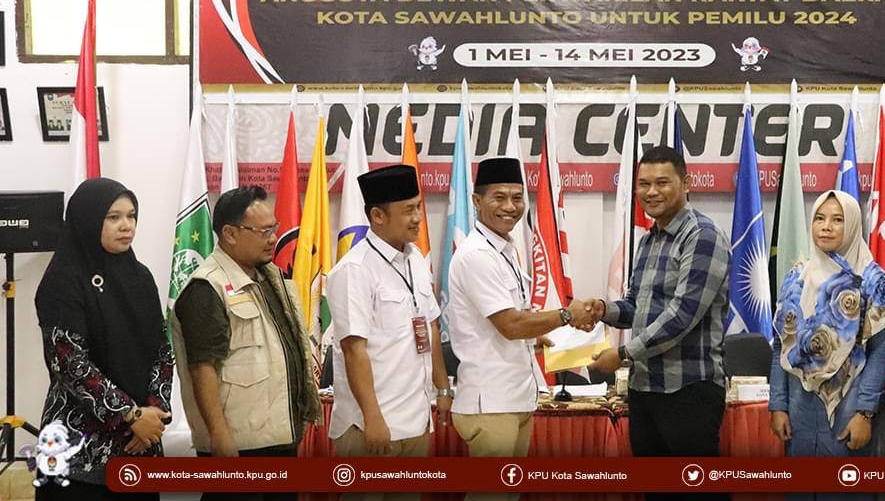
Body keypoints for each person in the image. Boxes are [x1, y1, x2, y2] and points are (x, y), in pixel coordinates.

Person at [586, 146, 730, 499]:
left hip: (688, 391)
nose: (651, 191)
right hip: (646, 389)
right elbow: (637, 306)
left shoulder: (702, 236)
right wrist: (601, 310)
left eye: (662, 182)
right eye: (644, 183)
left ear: (686, 183)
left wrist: (622, 355)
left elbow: (682, 315)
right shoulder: (649, 241)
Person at [447, 157, 594, 501]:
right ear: (477, 200)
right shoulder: (477, 255)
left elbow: (508, 321)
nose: (510, 207)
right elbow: (511, 325)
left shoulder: (504, 248)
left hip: (513, 398)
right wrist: (567, 315)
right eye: (499, 197)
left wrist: (537, 336)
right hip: (491, 404)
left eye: (517, 197)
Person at [172, 186, 321, 501]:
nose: (273, 238)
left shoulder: (269, 278)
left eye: (274, 228)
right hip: (239, 446)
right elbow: (202, 367)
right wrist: (219, 433)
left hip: (276, 438)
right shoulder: (207, 287)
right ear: (229, 233)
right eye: (264, 231)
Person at [34, 177, 173, 500]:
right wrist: (131, 416)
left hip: (141, 444)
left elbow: (162, 351)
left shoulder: (140, 276)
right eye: (113, 217)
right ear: (88, 219)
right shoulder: (62, 281)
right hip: (79, 449)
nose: (127, 225)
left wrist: (154, 414)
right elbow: (70, 363)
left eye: (131, 216)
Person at [327, 165, 452, 501]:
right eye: (408, 210)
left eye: (418, 207)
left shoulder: (415, 258)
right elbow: (354, 350)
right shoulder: (354, 270)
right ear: (378, 216)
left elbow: (430, 324)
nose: (418, 218)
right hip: (371, 425)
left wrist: (442, 388)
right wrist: (373, 418)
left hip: (415, 420)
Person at [768, 191, 885, 500]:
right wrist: (778, 404)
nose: (826, 226)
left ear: (851, 225)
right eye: (819, 218)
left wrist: (864, 413)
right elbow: (780, 346)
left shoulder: (873, 281)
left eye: (837, 220)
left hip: (849, 408)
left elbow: (881, 353)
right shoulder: (797, 277)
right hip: (799, 409)